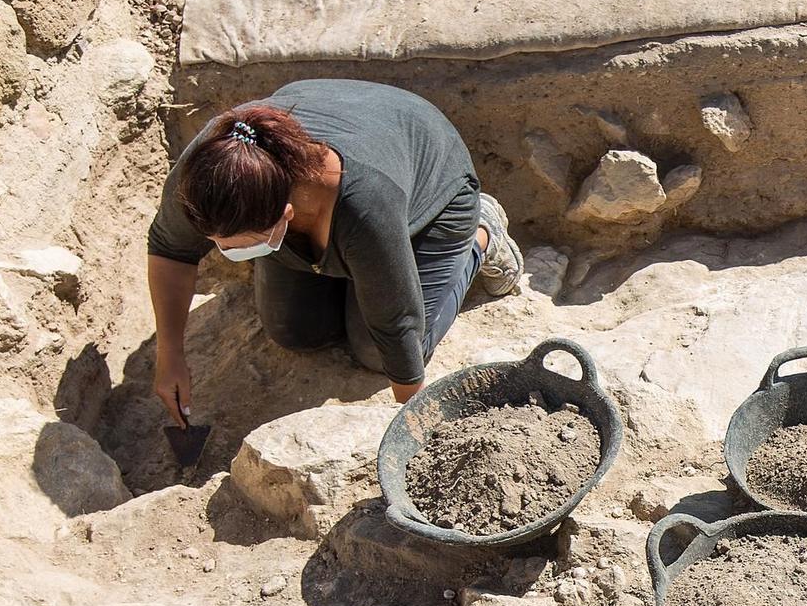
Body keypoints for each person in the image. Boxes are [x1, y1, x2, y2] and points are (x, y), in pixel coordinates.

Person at [145, 79, 524, 423]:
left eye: (242, 244)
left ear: (285, 215)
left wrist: (412, 427)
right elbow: (169, 248)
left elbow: (398, 325)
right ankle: (357, 267)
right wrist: (170, 355)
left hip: (432, 190)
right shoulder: (212, 169)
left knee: (375, 352)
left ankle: (480, 237)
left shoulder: (366, 202)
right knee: (294, 331)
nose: (223, 251)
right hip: (349, 153)